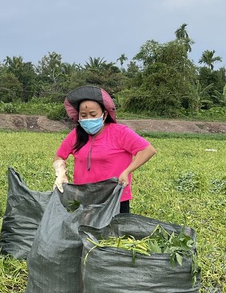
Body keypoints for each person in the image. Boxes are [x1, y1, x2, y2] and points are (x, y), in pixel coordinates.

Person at [53, 85, 155, 214]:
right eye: (83, 115)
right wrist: (60, 171)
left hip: (114, 199)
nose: (88, 119)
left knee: (114, 233)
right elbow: (60, 155)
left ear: (104, 114)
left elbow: (147, 150)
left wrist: (127, 171)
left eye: (93, 114)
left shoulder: (120, 132)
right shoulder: (76, 134)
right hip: (84, 198)